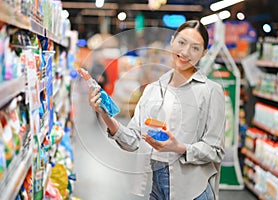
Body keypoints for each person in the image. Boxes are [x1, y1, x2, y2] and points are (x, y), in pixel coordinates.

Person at [88, 20, 225, 200]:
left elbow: (216, 150)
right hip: (155, 185)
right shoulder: (153, 89)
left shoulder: (210, 91)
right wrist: (104, 114)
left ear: (204, 53)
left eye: (195, 48)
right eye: (181, 43)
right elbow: (134, 140)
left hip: (191, 190)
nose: (185, 52)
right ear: (172, 41)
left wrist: (180, 148)